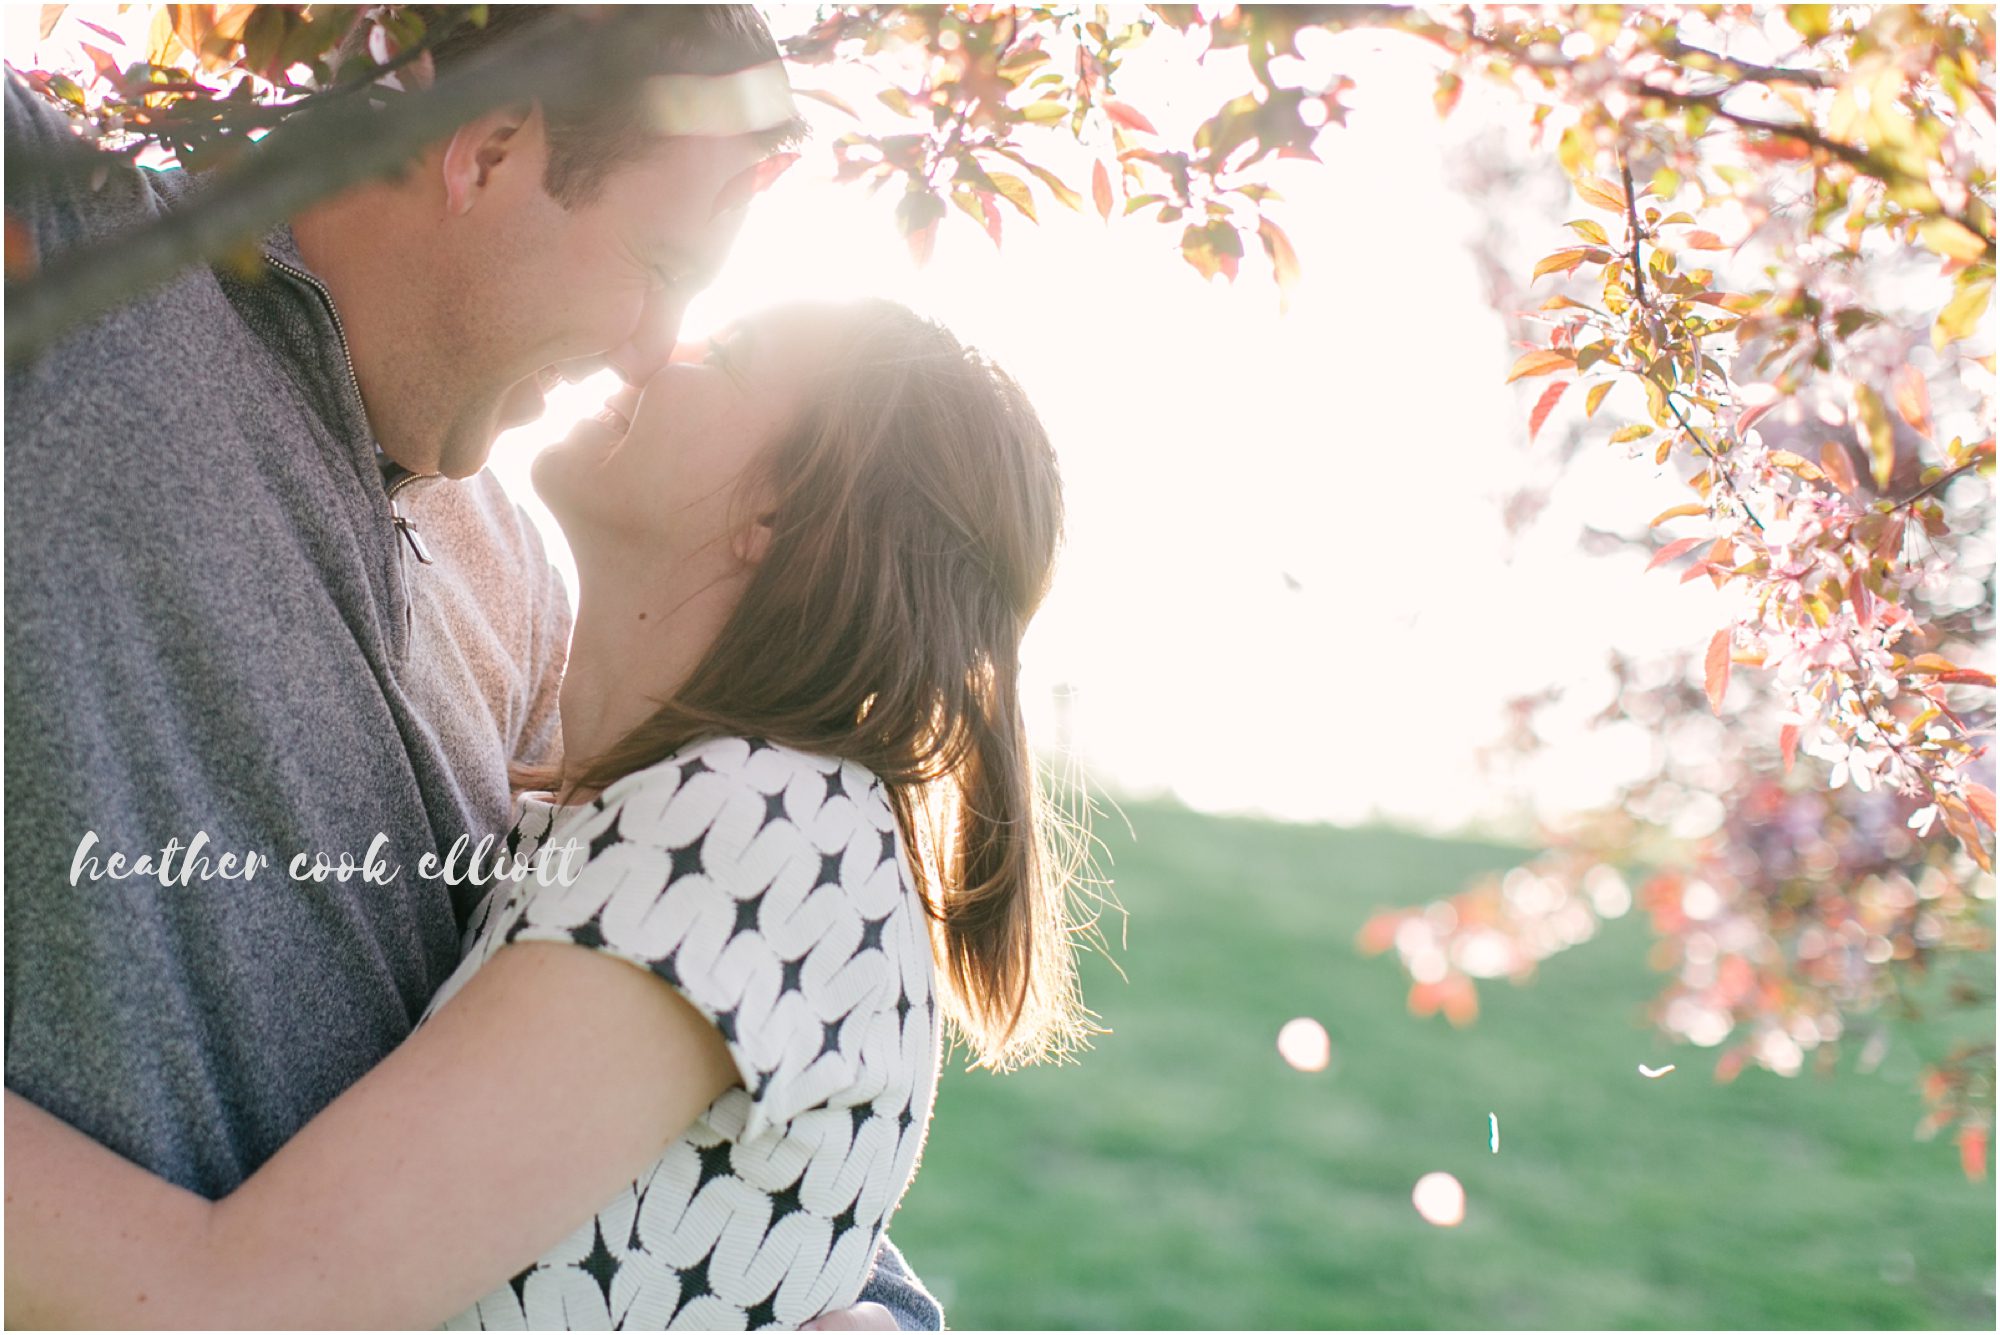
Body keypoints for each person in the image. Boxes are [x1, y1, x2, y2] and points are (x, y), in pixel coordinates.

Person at [2, 6, 933, 1324]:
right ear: (485, 151)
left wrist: (872, 1309)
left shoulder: (529, 588)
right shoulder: (76, 263)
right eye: (661, 263)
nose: (652, 349)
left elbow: (597, 1068)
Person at [5, 298, 1089, 1329]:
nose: (653, 353)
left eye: (731, 351)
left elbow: (237, 1308)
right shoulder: (670, 814)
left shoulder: (757, 828)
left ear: (783, 512)